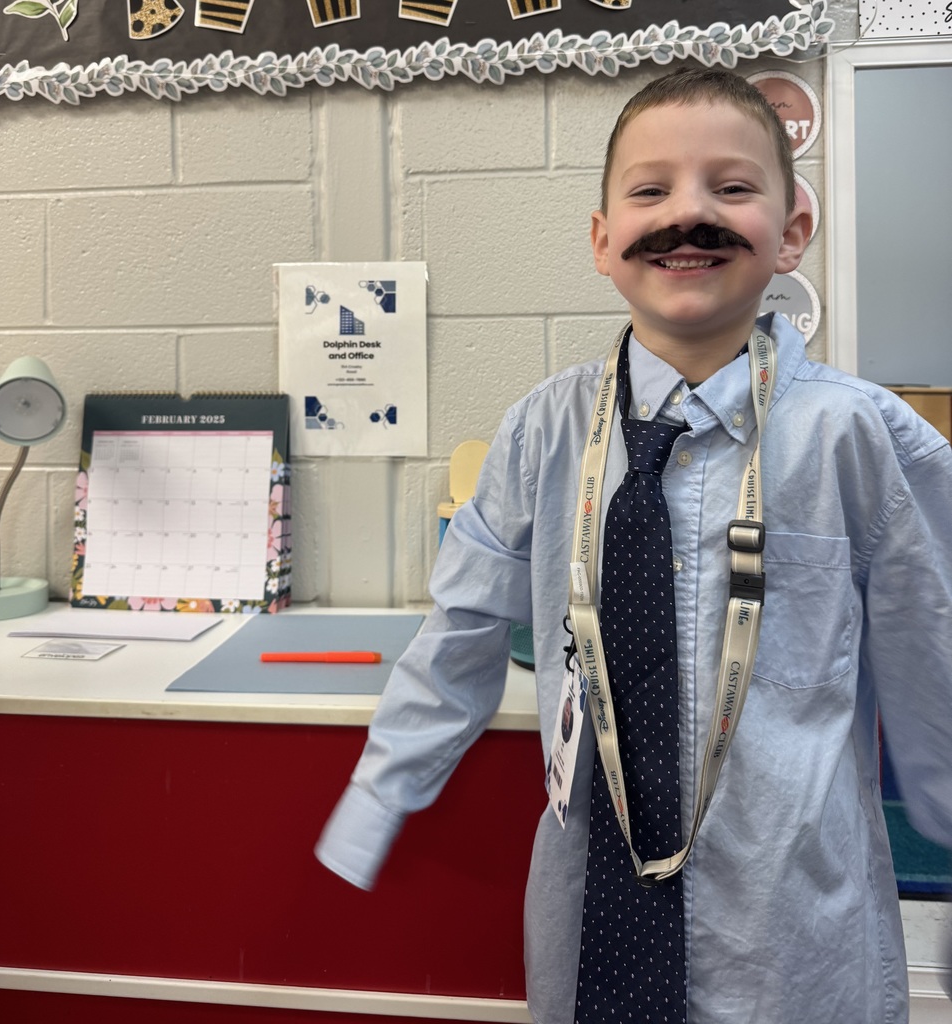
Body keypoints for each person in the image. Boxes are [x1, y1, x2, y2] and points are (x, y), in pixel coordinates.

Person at [315, 67, 952, 1023]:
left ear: (791, 234)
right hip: (591, 922)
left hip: (789, 939)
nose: (686, 213)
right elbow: (462, 632)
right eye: (649, 190)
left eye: (731, 188)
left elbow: (929, 657)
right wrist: (379, 798)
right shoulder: (543, 433)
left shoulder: (860, 439)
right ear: (602, 240)